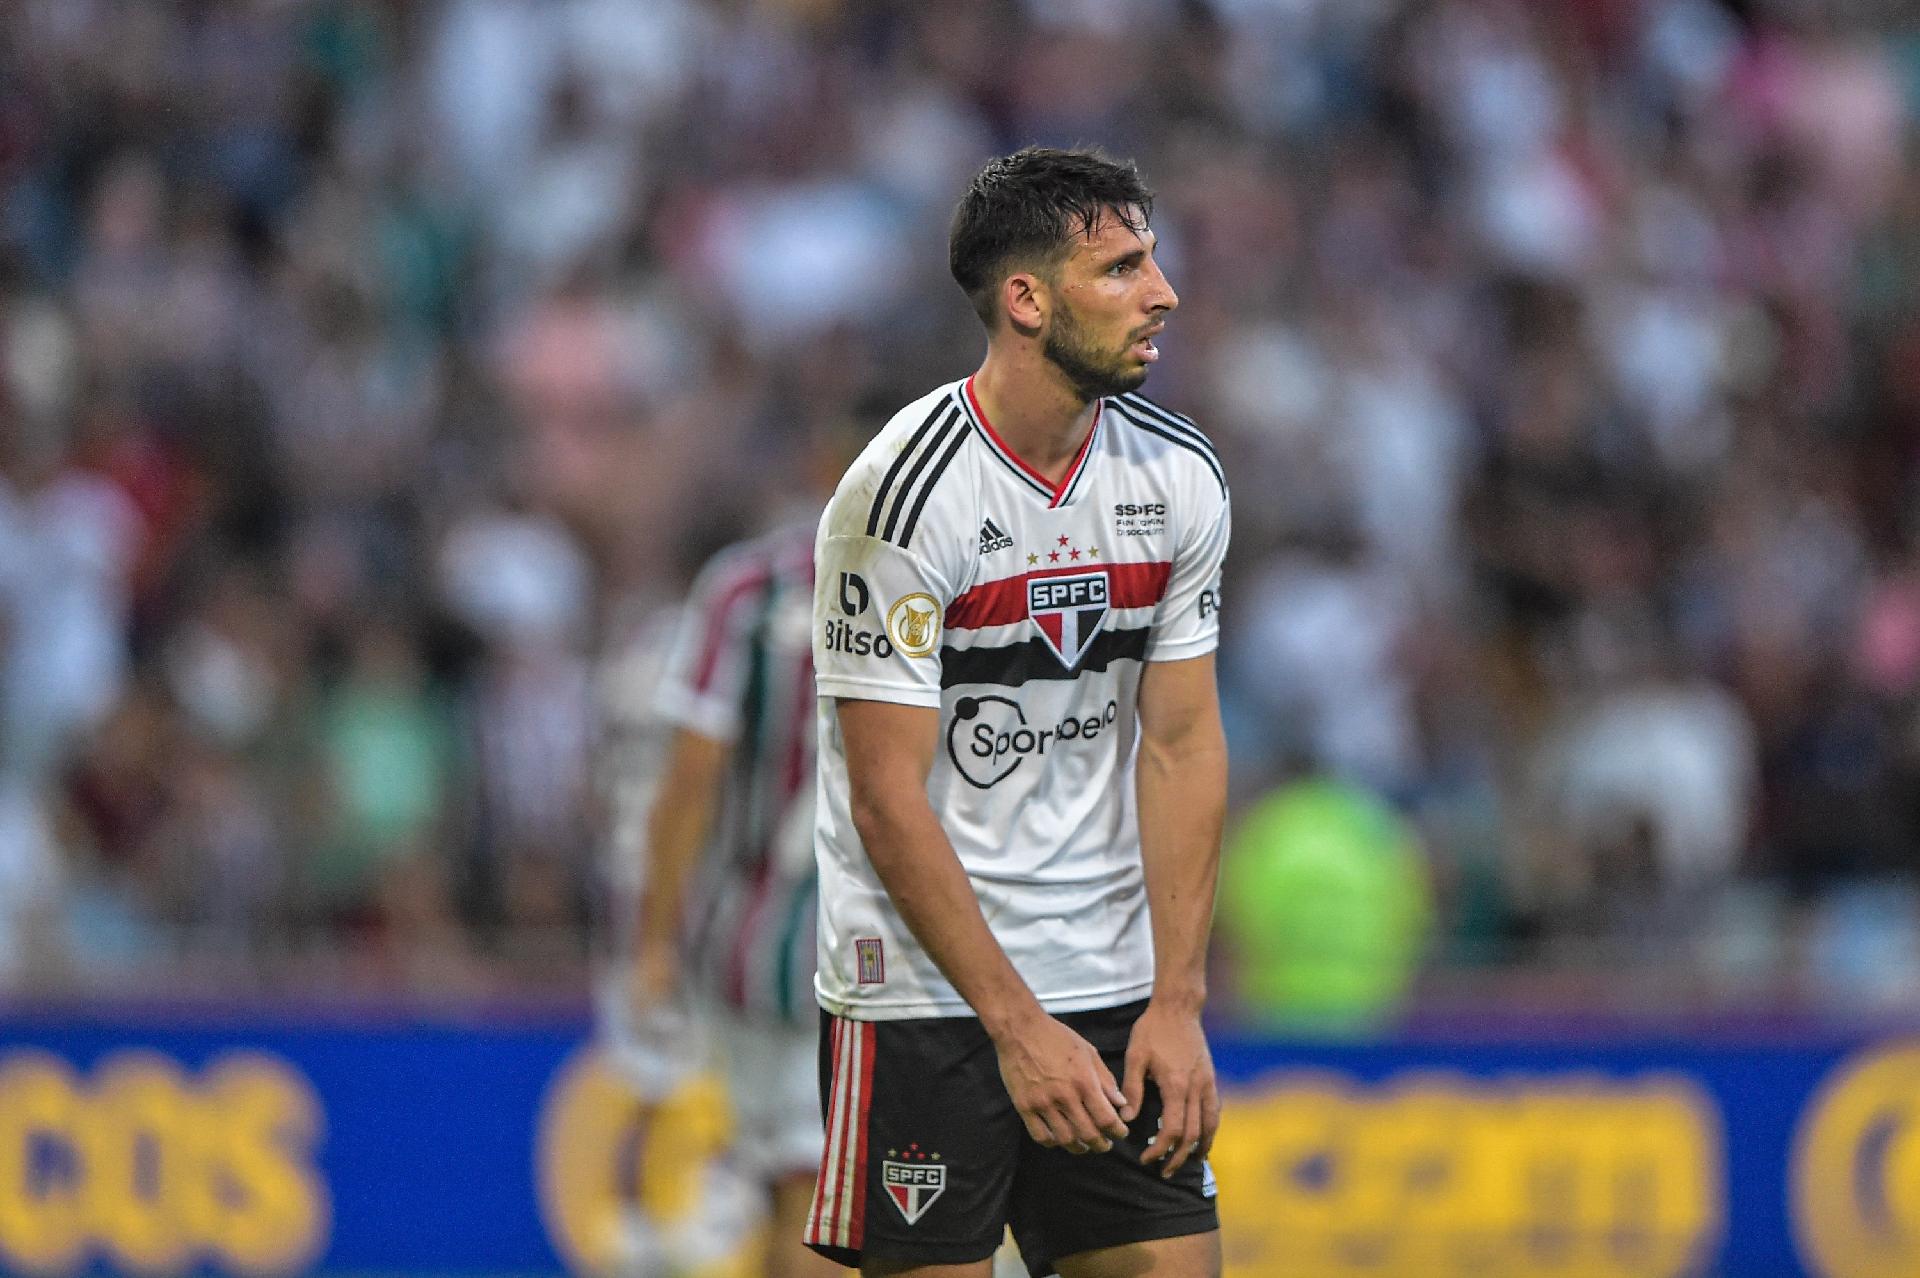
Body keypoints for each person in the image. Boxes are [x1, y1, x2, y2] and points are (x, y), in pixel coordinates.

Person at [805, 147, 1229, 1277]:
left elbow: (1181, 742)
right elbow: (884, 797)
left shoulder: (1180, 478)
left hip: (1113, 984)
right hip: (926, 997)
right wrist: (1014, 1024)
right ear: (1027, 301)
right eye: (1123, 267)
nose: (1163, 293)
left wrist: (1178, 1000)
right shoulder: (901, 497)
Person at [624, 440, 850, 1278]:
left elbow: (690, 780)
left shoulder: (751, 589)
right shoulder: (948, 588)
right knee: (824, 1195)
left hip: (748, 937)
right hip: (871, 953)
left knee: (782, 1184)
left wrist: (655, 936)